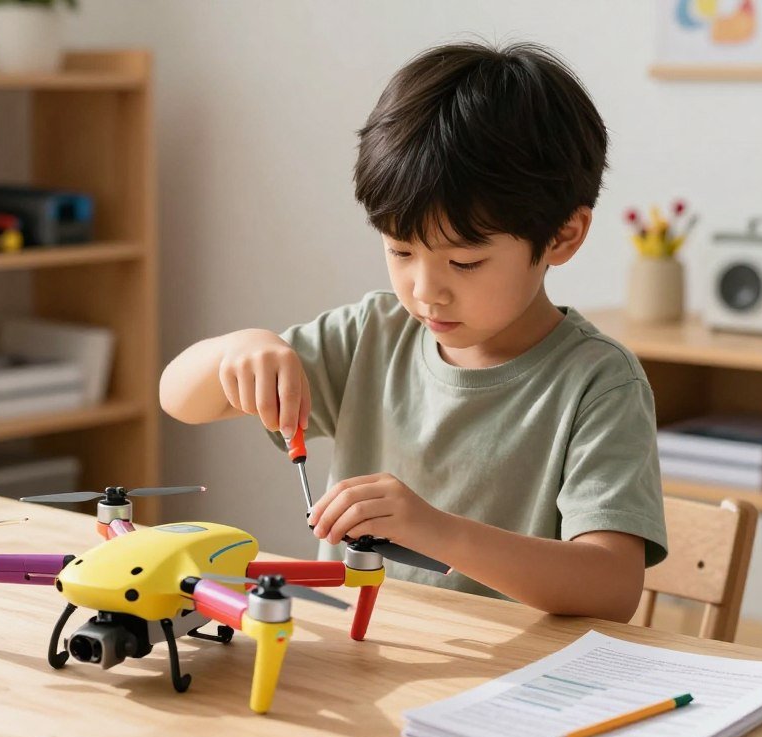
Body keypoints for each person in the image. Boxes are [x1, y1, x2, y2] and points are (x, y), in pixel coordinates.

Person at [159, 41, 666, 622]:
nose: (426, 290)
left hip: (509, 686)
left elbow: (611, 587)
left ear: (563, 236)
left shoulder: (598, 384)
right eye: (400, 250)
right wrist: (239, 348)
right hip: (357, 664)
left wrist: (434, 531)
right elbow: (177, 398)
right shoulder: (373, 335)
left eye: (465, 262)